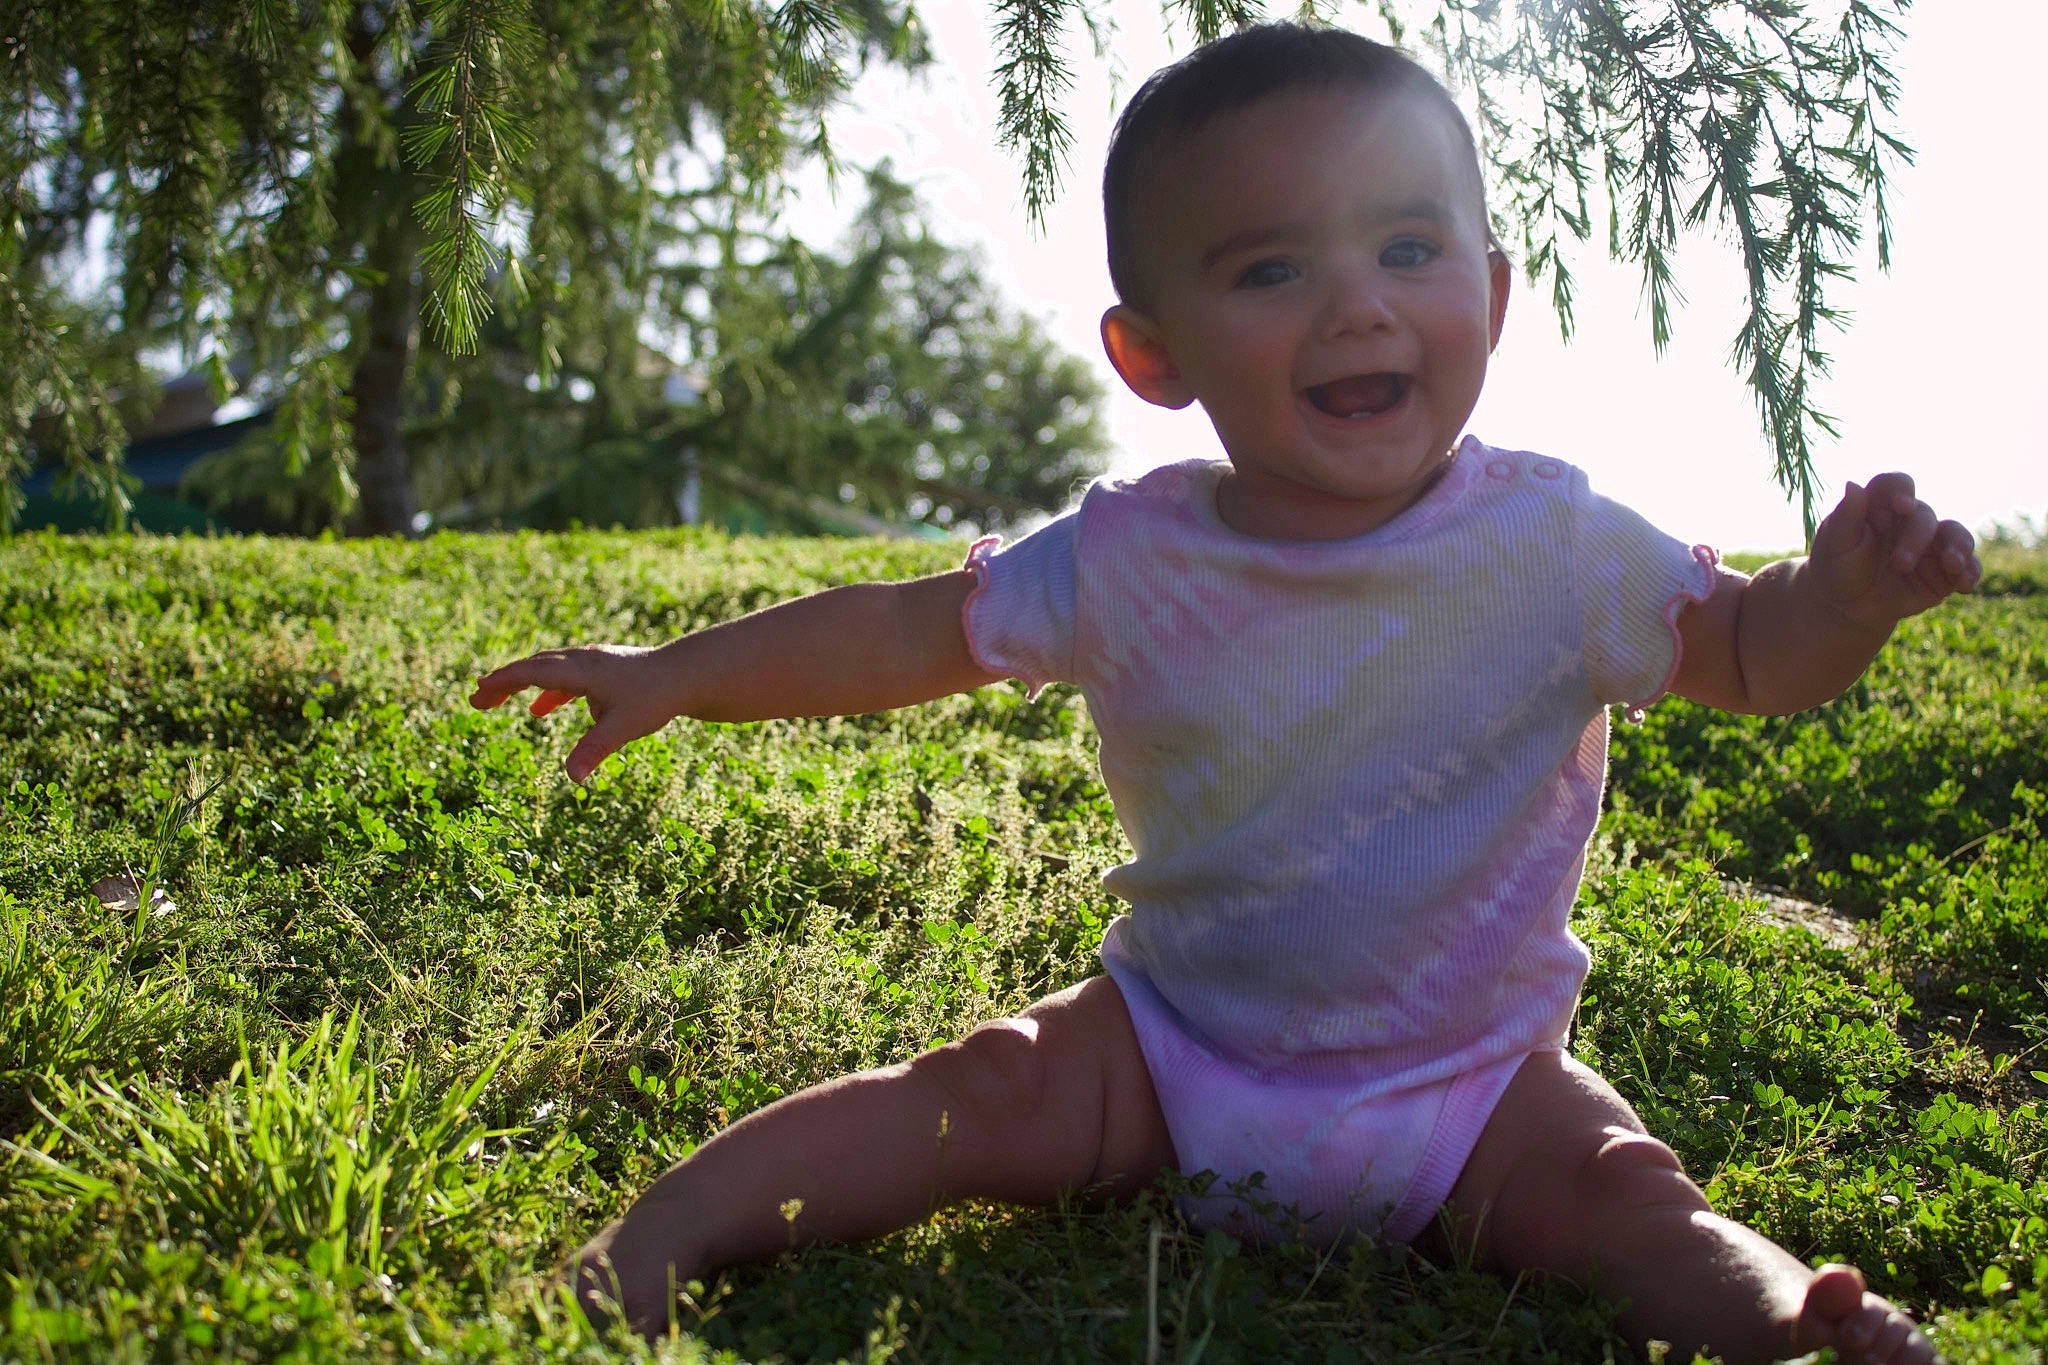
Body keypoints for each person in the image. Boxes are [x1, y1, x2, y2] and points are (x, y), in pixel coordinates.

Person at [470, 24, 1978, 1363]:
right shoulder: (1130, 554)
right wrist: (673, 675)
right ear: (1152, 352)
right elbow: (902, 634)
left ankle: (1793, 1318)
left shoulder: (1556, 543)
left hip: (1470, 1093)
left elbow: (1748, 656)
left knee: (1624, 1191)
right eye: (1271, 268)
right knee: (979, 1090)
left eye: (1407, 250)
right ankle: (650, 1243)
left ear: (1496, 293)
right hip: (1176, 1052)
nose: (1357, 310)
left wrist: (1838, 598)